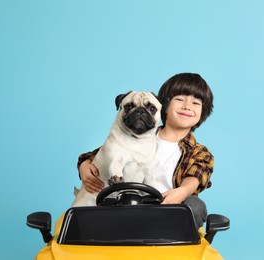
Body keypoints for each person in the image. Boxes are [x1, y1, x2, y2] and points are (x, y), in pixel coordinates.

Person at [77, 72, 214, 229]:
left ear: (203, 112)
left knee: (195, 205)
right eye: (180, 99)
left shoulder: (198, 152)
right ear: (165, 105)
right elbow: (105, 153)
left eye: (196, 103)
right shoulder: (137, 136)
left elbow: (197, 175)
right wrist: (84, 165)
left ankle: (166, 239)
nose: (187, 106)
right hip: (121, 205)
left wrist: (183, 191)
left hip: (165, 211)